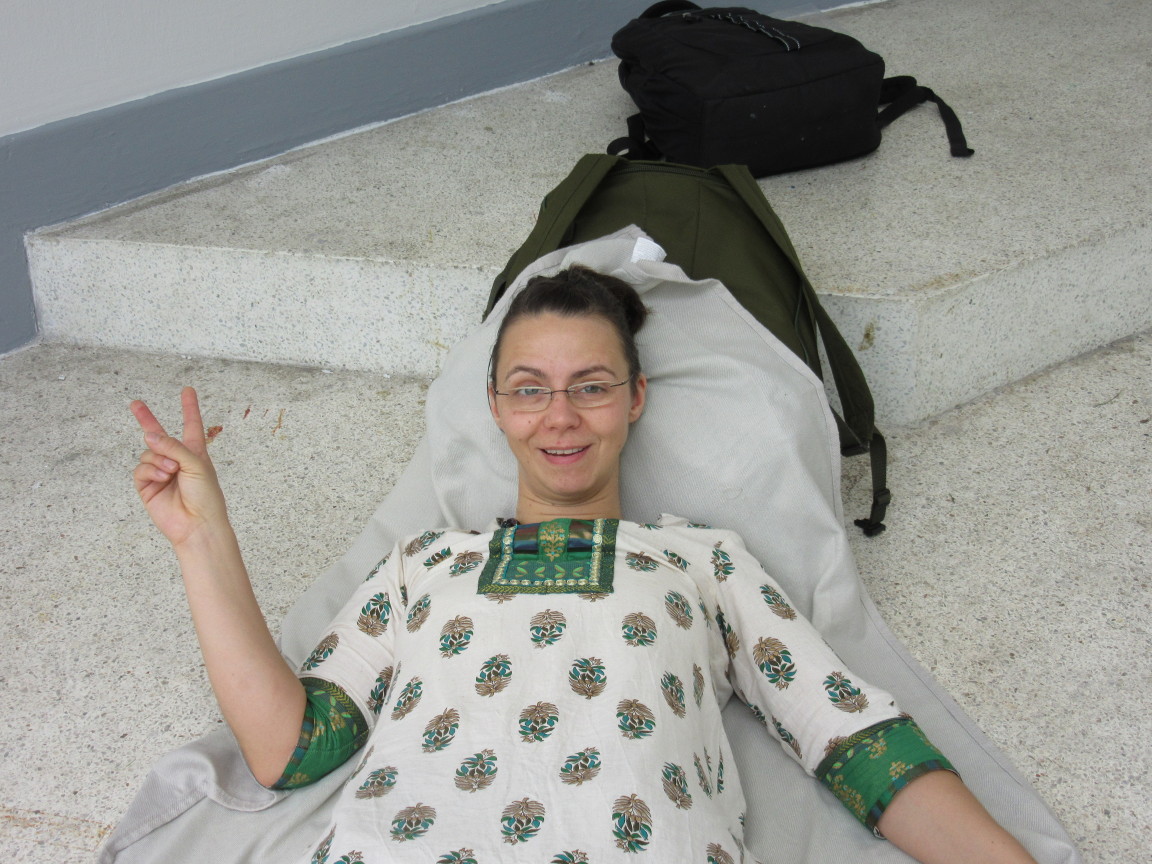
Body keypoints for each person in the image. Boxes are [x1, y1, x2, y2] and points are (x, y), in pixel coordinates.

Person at [131, 267, 1039, 863]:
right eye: (530, 389)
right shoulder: (423, 564)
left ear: (635, 398)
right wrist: (202, 540)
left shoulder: (702, 562)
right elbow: (291, 748)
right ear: (495, 406)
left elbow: (853, 741)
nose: (559, 416)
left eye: (591, 387)